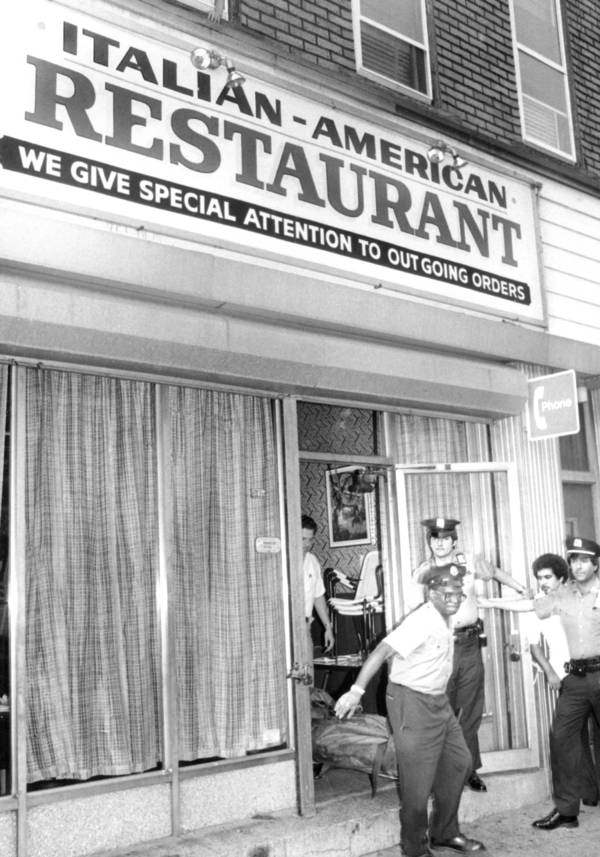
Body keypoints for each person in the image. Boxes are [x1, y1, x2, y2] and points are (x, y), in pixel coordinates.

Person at [335, 563, 485, 857]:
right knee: (417, 782)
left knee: (459, 762)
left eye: (458, 592)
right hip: (411, 702)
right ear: (432, 593)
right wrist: (356, 691)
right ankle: (414, 848)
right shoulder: (422, 620)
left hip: (437, 701)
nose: (455, 598)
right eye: (447, 593)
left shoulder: (446, 617)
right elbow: (382, 651)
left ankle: (445, 833)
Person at [413, 517, 526, 792]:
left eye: (445, 538)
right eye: (434, 538)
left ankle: (468, 769)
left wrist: (521, 589)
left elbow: (496, 572)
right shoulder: (423, 571)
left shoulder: (470, 563)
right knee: (441, 710)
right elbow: (415, 609)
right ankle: (438, 775)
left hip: (469, 644)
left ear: (454, 541)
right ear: (429, 542)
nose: (439, 543)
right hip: (440, 648)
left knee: (470, 708)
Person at [479, 551, 600, 807]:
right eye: (539, 578)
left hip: (594, 672)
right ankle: (584, 796)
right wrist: (490, 603)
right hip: (569, 676)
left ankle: (591, 791)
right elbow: (528, 622)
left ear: (561, 577)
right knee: (571, 738)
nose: (542, 582)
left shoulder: (580, 594)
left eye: (547, 577)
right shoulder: (546, 601)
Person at [528, 536, 600, 831]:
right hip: (575, 679)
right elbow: (533, 606)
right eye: (574, 560)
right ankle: (567, 811)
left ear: (596, 563)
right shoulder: (563, 593)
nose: (578, 565)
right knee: (561, 741)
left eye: (584, 559)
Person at [301, 515, 334, 654]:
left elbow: (318, 596)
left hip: (305, 627)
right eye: (303, 539)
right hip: (284, 629)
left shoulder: (312, 561)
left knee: (307, 673)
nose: (307, 544)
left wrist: (328, 627)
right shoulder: (282, 560)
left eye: (310, 539)